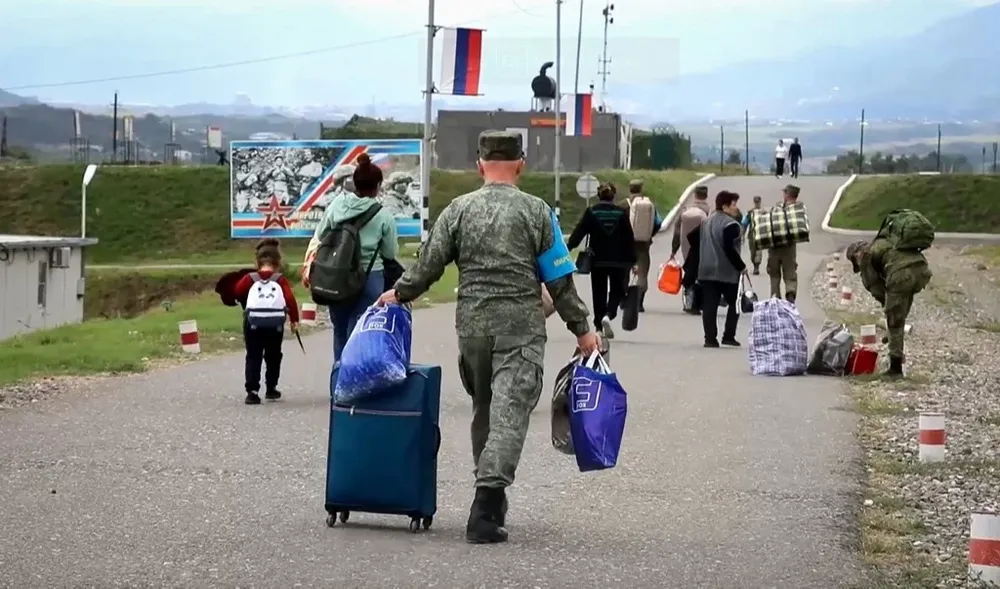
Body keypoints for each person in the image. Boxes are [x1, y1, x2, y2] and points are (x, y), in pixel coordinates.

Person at [374, 130, 598, 545]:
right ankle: (487, 504)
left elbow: (429, 264)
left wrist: (401, 293)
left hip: (473, 330)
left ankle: (489, 495)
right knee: (510, 413)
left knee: (486, 410)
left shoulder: (458, 210)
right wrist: (583, 330)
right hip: (521, 330)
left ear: (479, 165)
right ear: (521, 164)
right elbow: (561, 281)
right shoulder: (537, 213)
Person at [302, 153, 400, 361]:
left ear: (354, 182)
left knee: (340, 330)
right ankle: (357, 380)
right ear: (378, 185)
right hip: (369, 278)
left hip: (336, 275)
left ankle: (339, 382)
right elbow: (390, 253)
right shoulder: (383, 215)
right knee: (362, 331)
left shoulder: (337, 205)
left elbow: (320, 235)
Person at [846, 238, 932, 377]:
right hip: (921, 271)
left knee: (894, 321)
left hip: (901, 275)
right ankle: (896, 351)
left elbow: (877, 290)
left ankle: (895, 369)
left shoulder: (864, 257)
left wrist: (888, 312)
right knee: (899, 315)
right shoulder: (884, 242)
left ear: (855, 255)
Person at [233, 239, 300, 404]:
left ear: (257, 262)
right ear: (278, 263)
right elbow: (290, 300)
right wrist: (294, 320)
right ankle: (271, 388)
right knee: (273, 355)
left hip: (252, 323)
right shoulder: (280, 279)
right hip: (274, 325)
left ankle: (252, 391)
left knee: (253, 355)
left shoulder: (250, 278)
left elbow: (237, 291)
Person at [567, 182, 636, 338]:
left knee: (598, 292)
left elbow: (579, 233)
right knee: (617, 289)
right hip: (619, 261)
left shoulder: (591, 212)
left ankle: (598, 326)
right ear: (614, 196)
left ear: (599, 196)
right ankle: (609, 314)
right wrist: (633, 260)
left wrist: (567, 249)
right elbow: (629, 238)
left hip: (597, 260)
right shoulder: (621, 213)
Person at [686, 191, 747, 348]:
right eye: (734, 204)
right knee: (735, 303)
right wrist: (741, 266)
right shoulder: (731, 225)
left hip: (706, 269)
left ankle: (710, 339)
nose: (736, 208)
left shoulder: (706, 222)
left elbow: (692, 238)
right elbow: (729, 249)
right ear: (725, 206)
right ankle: (728, 335)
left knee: (709, 304)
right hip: (726, 271)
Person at [619, 178, 663, 313]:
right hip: (643, 245)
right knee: (642, 274)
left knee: (623, 273)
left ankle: (624, 301)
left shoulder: (622, 205)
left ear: (629, 189)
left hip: (625, 245)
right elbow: (658, 223)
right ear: (641, 189)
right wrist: (649, 235)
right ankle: (639, 302)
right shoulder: (649, 205)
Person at [671, 185, 711, 315]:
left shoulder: (685, 211)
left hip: (686, 248)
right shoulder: (709, 211)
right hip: (703, 249)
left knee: (689, 273)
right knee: (702, 276)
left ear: (694, 195)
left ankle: (688, 302)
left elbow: (677, 232)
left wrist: (674, 249)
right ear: (706, 195)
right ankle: (699, 303)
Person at [767, 185, 802, 303]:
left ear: (787, 194)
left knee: (774, 275)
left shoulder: (777, 208)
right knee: (790, 274)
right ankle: (790, 293)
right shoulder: (799, 210)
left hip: (774, 247)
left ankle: (775, 298)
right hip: (790, 248)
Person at [741, 196, 764, 275]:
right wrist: (743, 234)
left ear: (760, 202)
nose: (757, 203)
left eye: (758, 202)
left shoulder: (763, 212)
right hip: (752, 235)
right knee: (753, 252)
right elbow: (745, 223)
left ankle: (756, 267)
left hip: (760, 234)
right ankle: (754, 264)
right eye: (756, 202)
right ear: (754, 202)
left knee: (758, 252)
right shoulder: (750, 212)